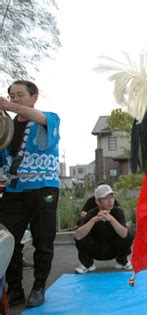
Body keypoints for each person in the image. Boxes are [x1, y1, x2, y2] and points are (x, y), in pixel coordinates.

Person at [0, 80, 60, 307]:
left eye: (20, 95)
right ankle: (14, 289)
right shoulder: (5, 126)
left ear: (34, 97)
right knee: (6, 239)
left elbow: (42, 119)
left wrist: (8, 105)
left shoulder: (48, 118)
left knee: (43, 240)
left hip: (43, 187)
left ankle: (38, 288)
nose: (15, 99)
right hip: (14, 190)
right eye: (11, 96)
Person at [74, 184, 134, 274]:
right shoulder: (92, 213)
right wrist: (94, 220)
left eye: (111, 197)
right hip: (96, 250)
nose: (110, 200)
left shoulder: (118, 212)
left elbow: (124, 234)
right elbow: (77, 236)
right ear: (98, 202)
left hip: (113, 249)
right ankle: (88, 264)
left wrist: (111, 219)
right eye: (106, 198)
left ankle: (121, 261)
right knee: (81, 234)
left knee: (129, 234)